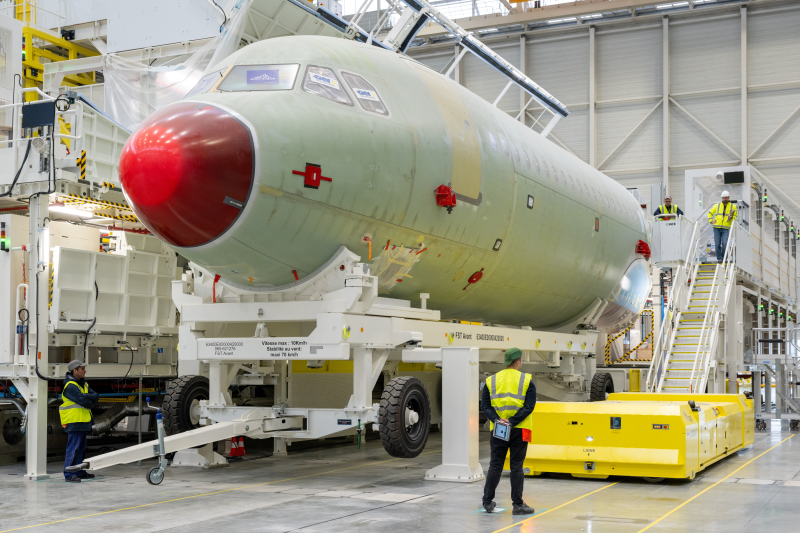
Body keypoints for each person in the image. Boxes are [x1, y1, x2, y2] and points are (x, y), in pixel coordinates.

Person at [481, 347, 536, 515]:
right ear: (518, 362)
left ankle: (487, 502)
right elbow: (529, 406)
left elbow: (485, 406)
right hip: (520, 429)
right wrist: (511, 422)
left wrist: (499, 421)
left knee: (495, 465)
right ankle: (518, 505)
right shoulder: (526, 380)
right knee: (516, 466)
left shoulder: (491, 380)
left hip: (498, 429)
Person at [60, 360, 99, 482]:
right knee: (73, 448)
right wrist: (88, 398)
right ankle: (69, 474)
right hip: (74, 421)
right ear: (75, 371)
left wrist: (86, 397)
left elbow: (96, 396)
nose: (85, 371)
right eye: (82, 369)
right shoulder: (70, 386)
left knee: (81, 448)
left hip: (82, 421)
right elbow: (86, 402)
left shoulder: (83, 384)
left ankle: (80, 471)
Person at [707, 190, 738, 263]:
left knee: (724, 243)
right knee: (717, 243)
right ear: (722, 198)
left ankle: (724, 257)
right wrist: (711, 221)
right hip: (716, 227)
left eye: (726, 198)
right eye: (723, 198)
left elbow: (735, 216)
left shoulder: (733, 206)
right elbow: (709, 213)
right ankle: (719, 258)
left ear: (728, 197)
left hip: (726, 228)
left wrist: (731, 218)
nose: (725, 199)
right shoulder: (717, 206)